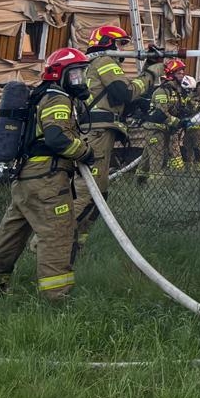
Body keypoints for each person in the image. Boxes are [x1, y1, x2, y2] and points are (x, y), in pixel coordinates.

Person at [0, 48, 94, 302]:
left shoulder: (41, 96)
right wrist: (84, 151)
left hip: (26, 179)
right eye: (75, 74)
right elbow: (57, 138)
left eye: (81, 75)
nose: (80, 80)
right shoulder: (58, 98)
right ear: (60, 74)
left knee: (11, 234)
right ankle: (56, 297)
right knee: (57, 234)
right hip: (47, 181)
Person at [73, 24, 151, 260]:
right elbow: (124, 92)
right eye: (122, 44)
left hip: (97, 133)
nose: (124, 50)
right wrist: (150, 74)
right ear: (108, 43)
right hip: (96, 135)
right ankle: (50, 240)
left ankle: (76, 246)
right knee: (88, 193)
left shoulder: (90, 64)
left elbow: (119, 99)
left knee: (100, 195)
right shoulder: (104, 61)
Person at [136, 59, 188, 182]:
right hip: (155, 129)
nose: (183, 75)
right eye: (179, 73)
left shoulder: (176, 92)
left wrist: (184, 118)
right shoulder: (162, 91)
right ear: (172, 74)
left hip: (164, 129)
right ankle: (156, 187)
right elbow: (161, 113)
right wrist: (177, 122)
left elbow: (177, 110)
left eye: (182, 72)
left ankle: (139, 183)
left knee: (147, 159)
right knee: (157, 161)